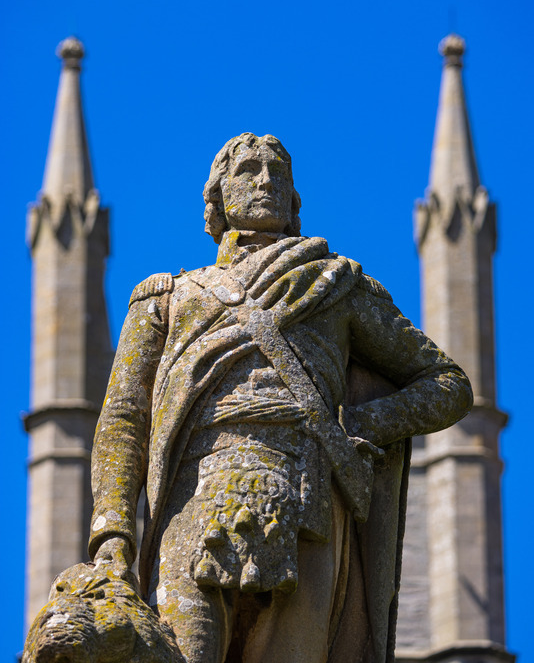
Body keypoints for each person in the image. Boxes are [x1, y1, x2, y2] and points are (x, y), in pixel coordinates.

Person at [89, 133, 472, 663]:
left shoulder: (338, 288)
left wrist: (361, 424)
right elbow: (124, 421)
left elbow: (447, 383)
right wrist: (111, 534)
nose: (266, 180)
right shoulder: (166, 298)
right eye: (248, 170)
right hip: (190, 503)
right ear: (218, 198)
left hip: (307, 502)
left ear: (294, 200)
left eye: (278, 171)